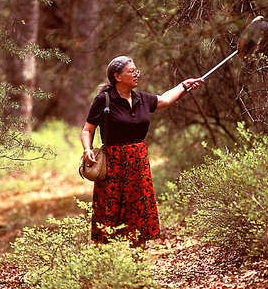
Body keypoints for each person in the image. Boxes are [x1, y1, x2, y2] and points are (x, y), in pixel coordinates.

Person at [81, 56, 202, 246]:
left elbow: (165, 99)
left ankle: (137, 258)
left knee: (138, 209)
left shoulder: (142, 98)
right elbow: (88, 129)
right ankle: (104, 260)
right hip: (113, 162)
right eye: (131, 71)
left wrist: (184, 85)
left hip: (138, 161)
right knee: (109, 208)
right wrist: (87, 149)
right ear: (117, 76)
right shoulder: (103, 100)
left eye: (137, 70)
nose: (136, 74)